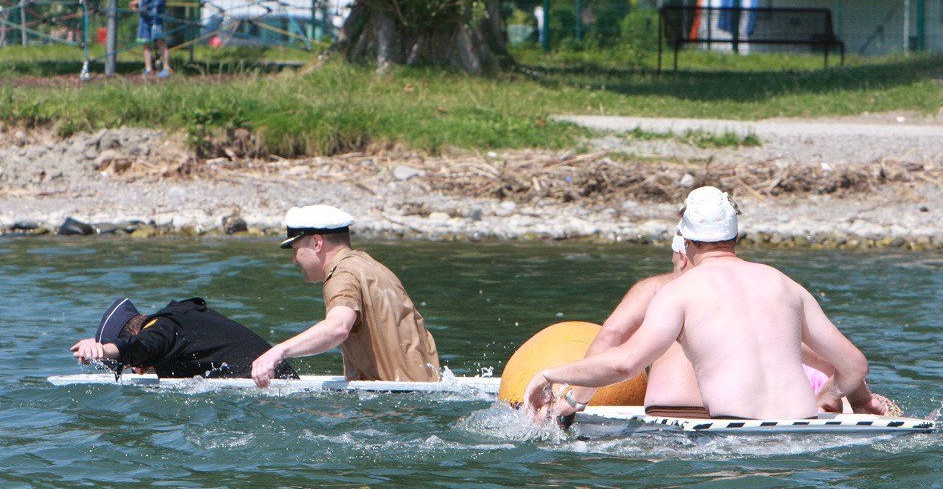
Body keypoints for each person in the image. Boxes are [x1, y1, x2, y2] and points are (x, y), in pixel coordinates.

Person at [524, 186, 869, 420]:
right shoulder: (786, 285)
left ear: (685, 244)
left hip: (733, 442)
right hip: (806, 431)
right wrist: (826, 395)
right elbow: (854, 365)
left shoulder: (678, 291)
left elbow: (624, 364)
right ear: (735, 237)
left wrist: (550, 376)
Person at [554, 230, 898, 420]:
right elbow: (815, 355)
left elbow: (613, 339)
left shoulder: (660, 289)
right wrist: (855, 396)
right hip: (750, 417)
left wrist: (572, 399)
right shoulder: (764, 288)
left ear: (683, 252)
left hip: (674, 416)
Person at [250, 205, 440, 387]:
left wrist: (278, 351)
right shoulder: (373, 268)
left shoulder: (342, 276)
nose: (294, 259)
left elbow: (338, 328)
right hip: (423, 392)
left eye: (295, 249)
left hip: (395, 406)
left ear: (317, 243)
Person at [69, 297, 298, 379]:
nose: (138, 371)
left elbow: (143, 345)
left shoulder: (163, 331)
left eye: (132, 366)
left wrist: (107, 351)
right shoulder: (181, 317)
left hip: (272, 391)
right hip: (281, 378)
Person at [128, 0, 172, 78]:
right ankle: (148, 68)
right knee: (146, 42)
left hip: (156, 15)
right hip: (144, 15)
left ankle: (166, 67)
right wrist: (135, 3)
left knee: (159, 41)